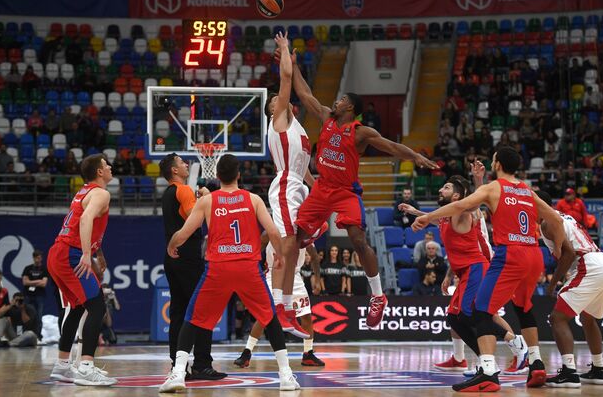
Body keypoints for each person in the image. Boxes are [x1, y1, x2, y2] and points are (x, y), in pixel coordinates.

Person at [277, 43, 438, 329]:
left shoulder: (361, 132)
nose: (335, 102)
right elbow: (304, 93)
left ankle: (377, 296)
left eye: (340, 100)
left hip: (346, 192)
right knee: (294, 240)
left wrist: (415, 156)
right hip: (322, 189)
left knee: (358, 239)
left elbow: (391, 146)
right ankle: (286, 305)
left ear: (350, 107)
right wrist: (294, 65)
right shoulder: (327, 117)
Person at [413, 146, 566, 391]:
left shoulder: (494, 188)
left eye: (493, 159)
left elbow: (459, 206)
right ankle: (536, 363)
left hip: (510, 255)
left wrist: (428, 217)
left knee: (481, 310)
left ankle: (487, 372)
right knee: (524, 307)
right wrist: (556, 249)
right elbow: (556, 220)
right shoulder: (527, 190)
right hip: (534, 254)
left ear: (497, 164)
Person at [159, 154, 300, 392]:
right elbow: (274, 232)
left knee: (192, 319)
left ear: (218, 176)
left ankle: (177, 374)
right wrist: (279, 256)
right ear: (238, 175)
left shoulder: (207, 201)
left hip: (219, 268)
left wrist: (172, 244)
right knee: (269, 318)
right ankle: (286, 375)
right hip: (248, 267)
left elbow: (183, 233)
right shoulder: (253, 199)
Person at [401, 169, 528, 376]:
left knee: (472, 315)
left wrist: (478, 180)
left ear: (458, 196)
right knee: (454, 318)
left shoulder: (463, 213)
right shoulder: (444, 219)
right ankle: (486, 362)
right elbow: (434, 221)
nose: (441, 189)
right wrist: (414, 212)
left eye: (447, 187)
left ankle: (516, 342)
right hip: (465, 271)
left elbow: (476, 204)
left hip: (477, 268)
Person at [264, 32, 319, 338]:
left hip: (298, 184)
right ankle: (279, 309)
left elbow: (305, 171)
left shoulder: (297, 128)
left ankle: (286, 309)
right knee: (286, 247)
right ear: (274, 109)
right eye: (276, 100)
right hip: (285, 185)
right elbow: (285, 78)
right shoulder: (279, 120)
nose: (281, 100)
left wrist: (320, 189)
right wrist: (284, 49)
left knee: (295, 248)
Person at [47, 154, 117, 386]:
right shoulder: (101, 193)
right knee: (97, 305)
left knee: (77, 308)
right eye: (106, 165)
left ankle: (62, 366)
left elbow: (87, 223)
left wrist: (98, 252)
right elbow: (86, 219)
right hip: (71, 254)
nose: (110, 167)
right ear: (99, 172)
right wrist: (87, 254)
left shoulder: (84, 192)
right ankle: (86, 367)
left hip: (58, 253)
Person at [536, 191, 603, 388]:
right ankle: (598, 370)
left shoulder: (547, 222)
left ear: (537, 206)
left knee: (557, 318)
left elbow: (569, 253)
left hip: (588, 265)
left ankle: (569, 372)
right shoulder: (564, 216)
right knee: (588, 319)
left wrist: (553, 282)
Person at [158, 153, 223, 380]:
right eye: (181, 163)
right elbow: (196, 218)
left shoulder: (168, 193)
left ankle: (178, 365)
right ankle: (202, 364)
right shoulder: (183, 190)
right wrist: (208, 196)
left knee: (178, 312)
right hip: (188, 258)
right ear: (174, 171)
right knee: (202, 309)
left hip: (173, 258)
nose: (186, 164)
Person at [234, 241, 325, 368]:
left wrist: (317, 279)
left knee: (306, 316)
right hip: (273, 275)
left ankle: (308, 354)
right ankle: (247, 353)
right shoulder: (270, 230)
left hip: (295, 278)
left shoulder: (302, 232)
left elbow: (314, 256)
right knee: (265, 316)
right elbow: (255, 250)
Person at [22, 249, 48, 331]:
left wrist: (30, 282)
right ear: (33, 258)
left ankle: (38, 335)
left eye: (39, 257)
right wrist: (38, 281)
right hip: (28, 295)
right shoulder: (27, 268)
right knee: (27, 314)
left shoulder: (44, 269)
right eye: (36, 258)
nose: (38, 259)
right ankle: (25, 332)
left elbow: (44, 283)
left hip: (39, 295)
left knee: (39, 316)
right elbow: (25, 282)